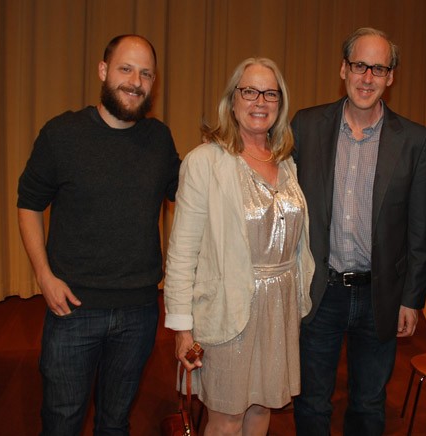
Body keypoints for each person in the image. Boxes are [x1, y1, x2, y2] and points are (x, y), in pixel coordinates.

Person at [16, 34, 180, 434]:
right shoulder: (61, 134)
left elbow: (193, 199)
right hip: (72, 309)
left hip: (139, 311)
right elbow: (29, 204)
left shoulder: (159, 140)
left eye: (145, 74)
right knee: (62, 420)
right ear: (104, 71)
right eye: (126, 69)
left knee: (115, 422)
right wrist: (43, 276)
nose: (135, 81)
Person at [292, 27, 426, 435]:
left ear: (391, 77)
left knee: (370, 406)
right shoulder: (306, 126)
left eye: (378, 68)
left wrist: (412, 298)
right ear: (343, 69)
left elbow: (420, 233)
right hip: (321, 292)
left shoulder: (416, 141)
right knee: (312, 403)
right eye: (359, 65)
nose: (367, 77)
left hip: (381, 298)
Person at [163, 57, 315, 435]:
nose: (259, 101)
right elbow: (182, 251)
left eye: (270, 93)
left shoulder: (288, 163)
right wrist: (182, 327)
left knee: (262, 408)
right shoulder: (205, 163)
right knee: (227, 416)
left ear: (280, 105)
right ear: (232, 101)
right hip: (229, 308)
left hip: (280, 306)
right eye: (249, 91)